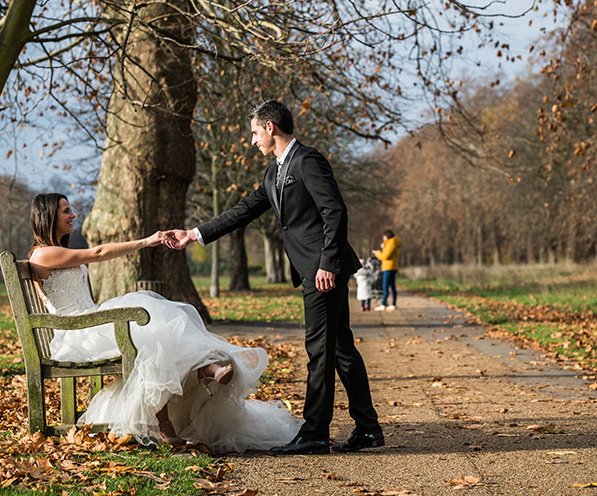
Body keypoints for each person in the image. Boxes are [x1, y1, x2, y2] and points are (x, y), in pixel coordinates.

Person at [164, 100, 383, 455]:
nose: (252, 142)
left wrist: (327, 263)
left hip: (323, 270)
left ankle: (314, 434)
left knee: (320, 351)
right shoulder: (273, 174)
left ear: (270, 128)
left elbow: (334, 211)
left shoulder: (308, 161)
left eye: (254, 133)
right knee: (341, 349)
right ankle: (368, 428)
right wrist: (194, 233)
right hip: (314, 269)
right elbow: (243, 211)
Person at [27, 193, 302, 452]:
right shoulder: (43, 254)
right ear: (48, 216)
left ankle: (202, 373)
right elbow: (98, 253)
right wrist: (146, 241)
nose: (73, 214)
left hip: (90, 322)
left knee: (153, 324)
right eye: (66, 210)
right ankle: (196, 380)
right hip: (78, 333)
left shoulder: (52, 252)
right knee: (148, 322)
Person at [373, 229, 401, 311]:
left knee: (385, 286)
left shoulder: (391, 243)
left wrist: (377, 253)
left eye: (384, 237)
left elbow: (385, 256)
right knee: (392, 286)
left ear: (386, 236)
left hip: (389, 267)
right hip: (391, 266)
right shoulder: (392, 243)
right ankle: (393, 304)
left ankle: (384, 304)